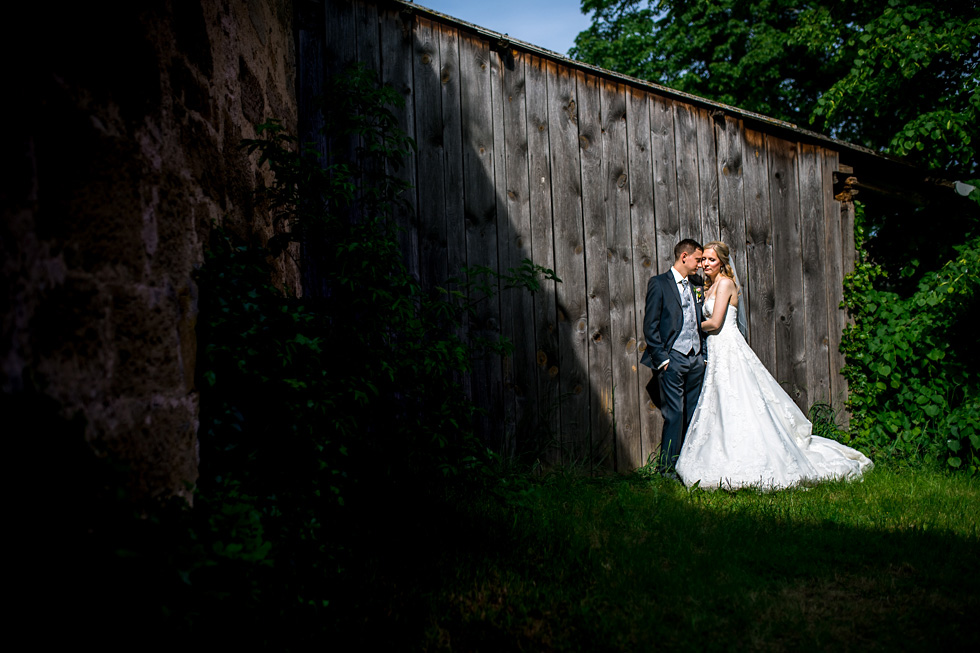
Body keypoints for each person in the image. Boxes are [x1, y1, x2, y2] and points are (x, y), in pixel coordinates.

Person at [675, 241, 873, 489]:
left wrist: (687, 326)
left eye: (711, 260)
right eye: (703, 259)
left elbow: (715, 323)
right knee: (719, 401)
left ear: (723, 262)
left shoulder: (725, 284)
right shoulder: (709, 285)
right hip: (716, 350)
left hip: (728, 347)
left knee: (737, 398)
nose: (705, 264)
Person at [640, 239, 707, 476]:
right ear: (684, 256)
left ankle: (688, 467)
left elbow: (700, 323)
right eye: (698, 259)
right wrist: (663, 360)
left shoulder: (697, 284)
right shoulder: (659, 284)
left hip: (696, 359)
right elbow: (651, 326)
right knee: (675, 413)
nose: (700, 265)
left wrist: (704, 357)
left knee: (693, 412)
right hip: (673, 359)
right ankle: (667, 468)